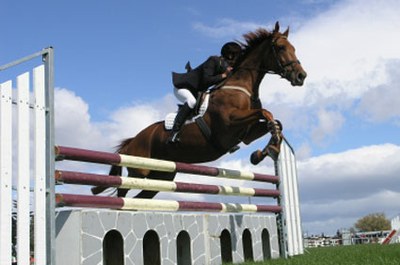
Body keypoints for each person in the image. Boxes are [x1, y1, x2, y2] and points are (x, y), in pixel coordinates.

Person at [167, 41, 242, 143]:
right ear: (230, 55)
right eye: (236, 56)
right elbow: (206, 80)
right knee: (191, 102)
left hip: (197, 91)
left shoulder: (225, 67)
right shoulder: (213, 60)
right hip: (183, 87)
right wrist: (224, 75)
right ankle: (174, 133)